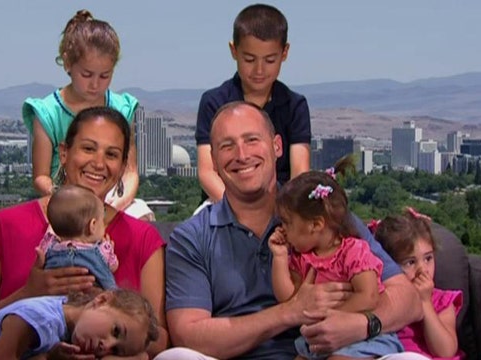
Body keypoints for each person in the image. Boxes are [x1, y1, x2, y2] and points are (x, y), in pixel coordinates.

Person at [157, 101, 426, 360]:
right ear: (213, 160)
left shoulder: (324, 217)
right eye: (227, 146)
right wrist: (290, 311)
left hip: (337, 350)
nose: (241, 155)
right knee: (174, 358)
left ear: (277, 147)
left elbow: (408, 300)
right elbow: (188, 335)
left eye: (252, 140)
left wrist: (363, 325)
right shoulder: (191, 238)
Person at [0, 107, 168, 359]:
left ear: (121, 167)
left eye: (112, 154)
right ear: (64, 153)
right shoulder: (3, 226)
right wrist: (26, 295)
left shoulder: (143, 239)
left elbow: (158, 341)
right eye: (88, 148)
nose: (98, 163)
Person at [22, 9, 151, 219]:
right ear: (67, 63)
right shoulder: (48, 112)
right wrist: (70, 199)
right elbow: (41, 177)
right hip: (63, 200)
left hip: (111, 200)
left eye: (104, 76)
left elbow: (130, 173)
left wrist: (112, 207)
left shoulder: (122, 108)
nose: (95, 84)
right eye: (87, 74)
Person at [269, 160, 402, 359]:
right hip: (318, 338)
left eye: (287, 222)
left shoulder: (353, 252)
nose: (282, 229)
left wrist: (335, 317)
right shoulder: (302, 257)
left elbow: (369, 296)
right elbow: (288, 297)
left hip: (360, 337)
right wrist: (279, 257)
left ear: (316, 225)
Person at [194, 4, 311, 213]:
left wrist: (280, 211)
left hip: (281, 207)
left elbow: (300, 175)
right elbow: (207, 173)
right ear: (233, 51)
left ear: (285, 53)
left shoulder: (295, 105)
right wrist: (242, 210)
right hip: (222, 201)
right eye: (249, 59)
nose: (259, 70)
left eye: (270, 60)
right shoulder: (213, 102)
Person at [0, 289, 159, 359]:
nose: (105, 347)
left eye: (116, 350)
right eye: (115, 330)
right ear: (101, 299)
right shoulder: (38, 320)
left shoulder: (66, 316)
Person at [372, 208, 464, 359]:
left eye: (428, 258)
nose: (422, 270)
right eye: (410, 262)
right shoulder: (384, 300)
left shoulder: (442, 302)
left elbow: (445, 351)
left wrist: (425, 302)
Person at [40, 184, 119, 290]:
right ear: (93, 225)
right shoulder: (100, 251)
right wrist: (109, 249)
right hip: (92, 298)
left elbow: (41, 254)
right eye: (102, 220)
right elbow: (113, 266)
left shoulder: (50, 246)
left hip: (55, 298)